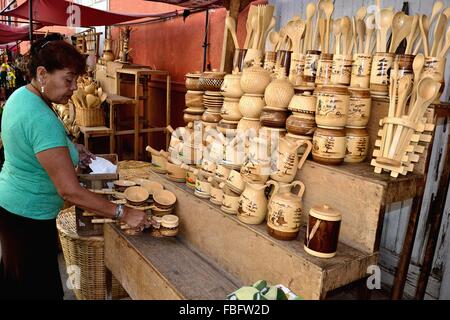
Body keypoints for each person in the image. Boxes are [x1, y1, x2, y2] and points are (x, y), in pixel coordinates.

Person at [0, 34, 148, 300]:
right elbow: (70, 191)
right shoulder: (39, 117)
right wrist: (122, 213)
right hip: (28, 219)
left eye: (76, 81)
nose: (73, 88)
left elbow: (35, 146)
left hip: (14, 210)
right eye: (68, 80)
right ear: (42, 74)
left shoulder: (22, 96)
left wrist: (70, 149)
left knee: (17, 285)